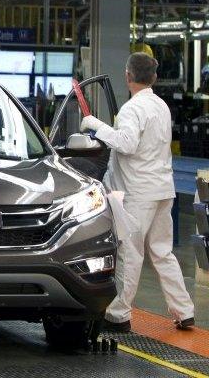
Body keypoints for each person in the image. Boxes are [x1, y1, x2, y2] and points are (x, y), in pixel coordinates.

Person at [81, 52, 195, 332]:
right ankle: (184, 310)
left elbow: (127, 143)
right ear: (154, 77)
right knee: (162, 253)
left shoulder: (133, 109)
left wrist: (96, 126)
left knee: (130, 254)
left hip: (138, 194)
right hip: (162, 190)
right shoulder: (161, 106)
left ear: (128, 76)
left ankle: (118, 315)